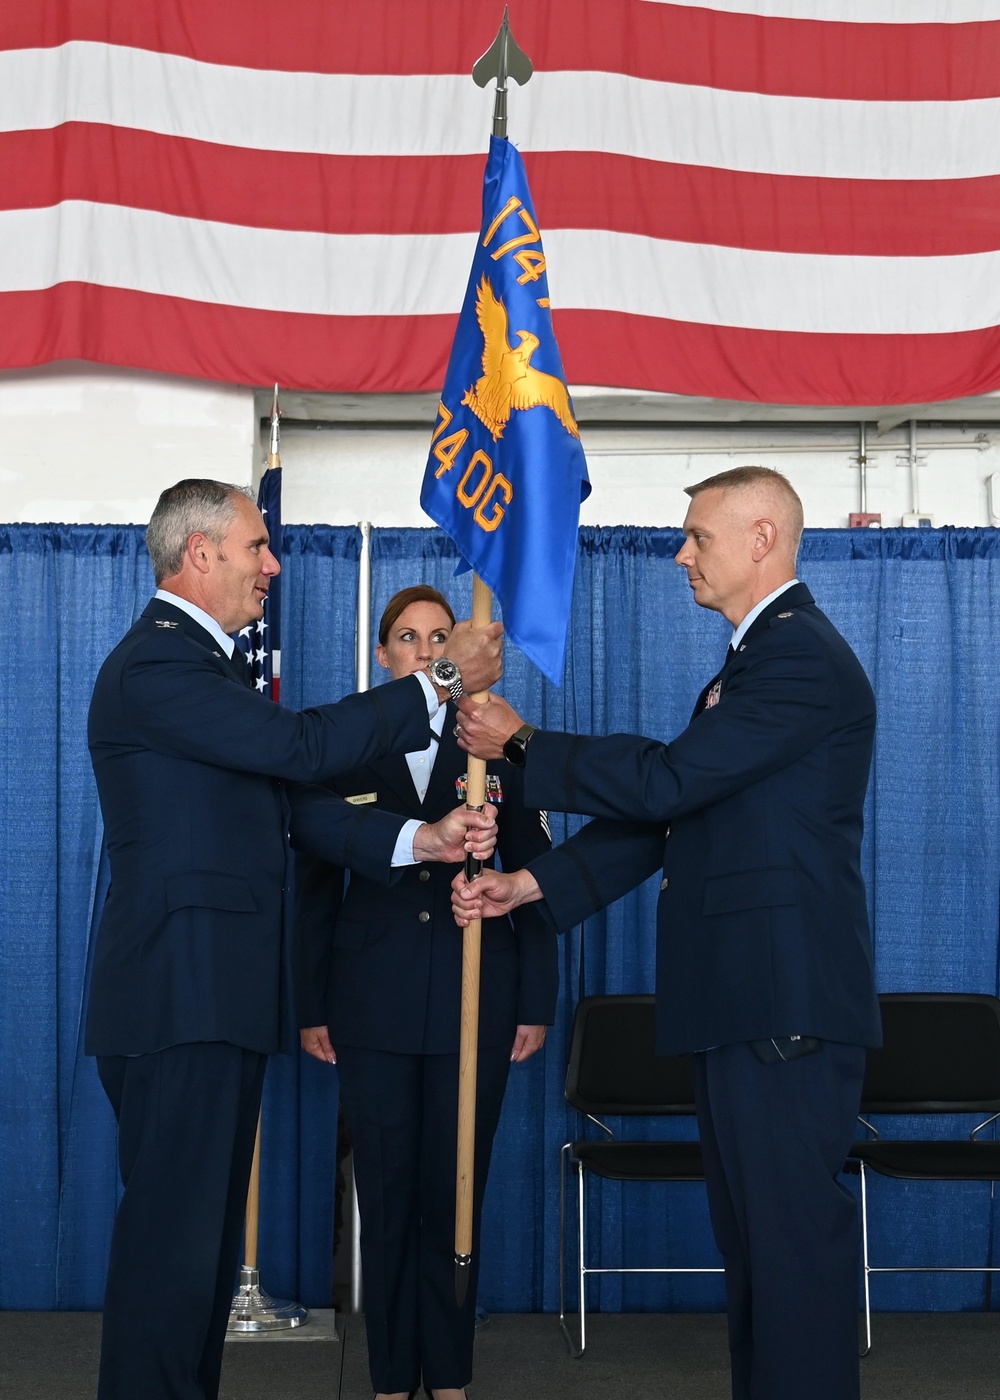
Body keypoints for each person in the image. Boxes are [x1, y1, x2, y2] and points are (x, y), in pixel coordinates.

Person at [452, 467, 882, 1400]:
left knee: (789, 1257)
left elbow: (666, 786)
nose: (682, 554)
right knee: (757, 1254)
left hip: (783, 1002)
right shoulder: (751, 661)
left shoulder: (798, 657)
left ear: (762, 538)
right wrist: (532, 883)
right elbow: (673, 818)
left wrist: (525, 744)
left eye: (698, 536)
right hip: (743, 1002)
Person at [85, 482, 502, 1400]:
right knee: (172, 1255)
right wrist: (438, 681)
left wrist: (415, 841)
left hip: (212, 999)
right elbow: (305, 752)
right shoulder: (161, 668)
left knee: (195, 1258)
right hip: (177, 997)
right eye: (256, 547)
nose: (272, 564)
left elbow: (298, 816)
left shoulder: (205, 670)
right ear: (200, 554)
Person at [292, 585, 558, 1400]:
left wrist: (536, 998)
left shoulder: (496, 743)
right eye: (406, 638)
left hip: (474, 1001)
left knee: (456, 1198)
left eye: (439, 635)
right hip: (370, 1003)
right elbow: (311, 886)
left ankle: (448, 1377)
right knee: (386, 1189)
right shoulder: (345, 743)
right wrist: (310, 1003)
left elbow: (535, 877)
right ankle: (387, 1379)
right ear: (384, 655)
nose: (420, 648)